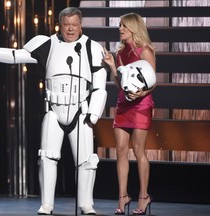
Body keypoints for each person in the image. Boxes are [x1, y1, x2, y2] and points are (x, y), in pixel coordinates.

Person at [0, 7, 107, 215]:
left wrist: (93, 114)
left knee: (86, 161)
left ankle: (87, 204)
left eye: (74, 25)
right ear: (60, 25)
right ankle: (47, 204)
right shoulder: (47, 43)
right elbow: (17, 55)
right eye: (66, 25)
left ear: (81, 25)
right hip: (53, 110)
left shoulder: (92, 48)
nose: (70, 29)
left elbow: (99, 85)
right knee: (47, 158)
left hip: (81, 111)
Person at [103, 13, 156, 215]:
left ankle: (144, 196)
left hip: (141, 104)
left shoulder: (145, 51)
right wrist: (112, 67)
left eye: (124, 26)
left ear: (134, 28)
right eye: (119, 26)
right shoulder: (120, 53)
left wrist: (142, 92)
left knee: (138, 150)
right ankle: (123, 196)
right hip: (123, 104)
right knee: (120, 149)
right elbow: (120, 83)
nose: (120, 29)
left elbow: (153, 81)